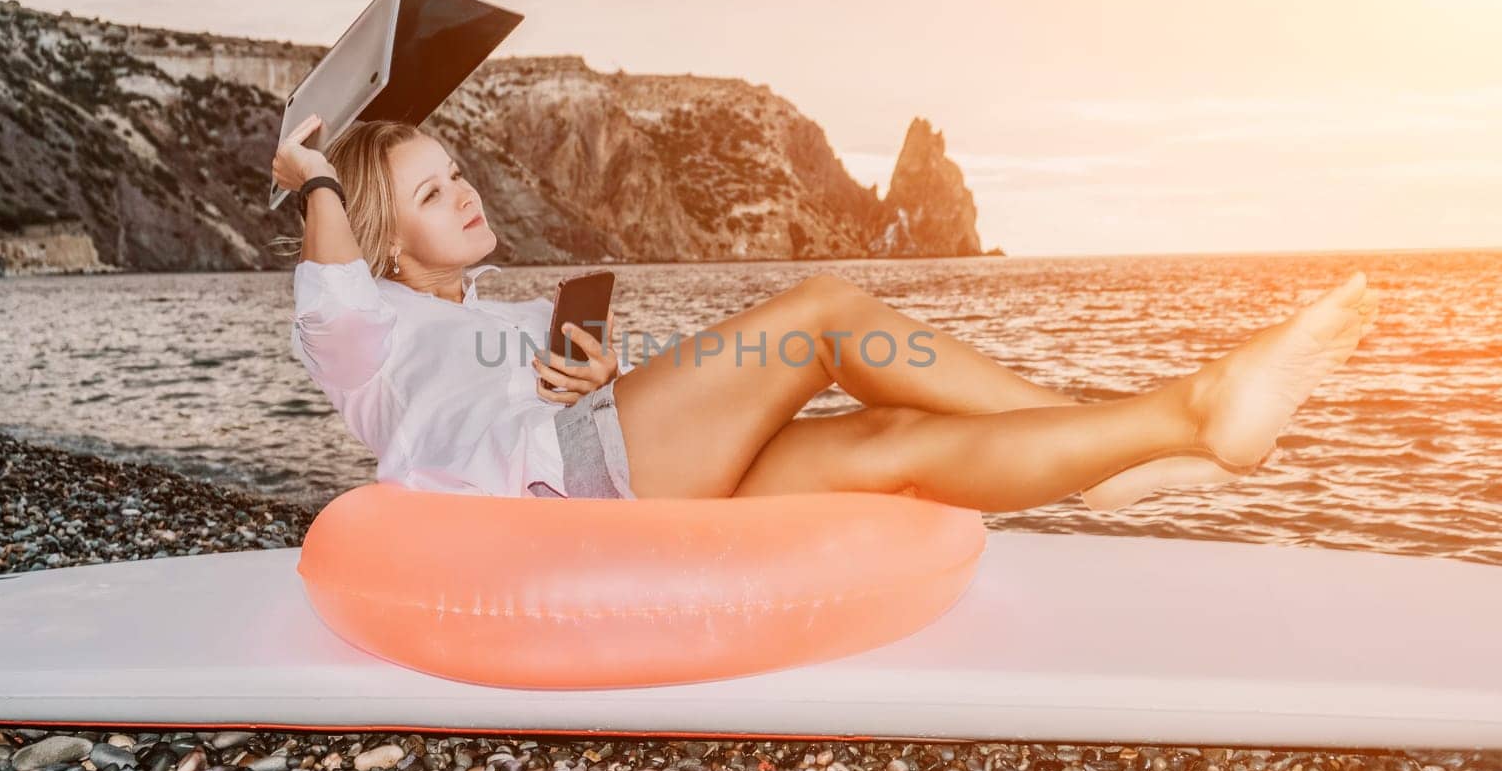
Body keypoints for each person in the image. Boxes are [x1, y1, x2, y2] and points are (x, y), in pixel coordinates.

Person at [271, 114, 1379, 512]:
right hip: (562, 483)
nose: (464, 192)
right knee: (824, 311)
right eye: (429, 191)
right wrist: (314, 174)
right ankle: (1175, 408)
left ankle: (1161, 439)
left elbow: (551, 414)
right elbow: (325, 279)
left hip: (584, 468)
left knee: (891, 442)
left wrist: (589, 373)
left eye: (456, 171)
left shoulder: (504, 313)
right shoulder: (360, 327)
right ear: (375, 232)